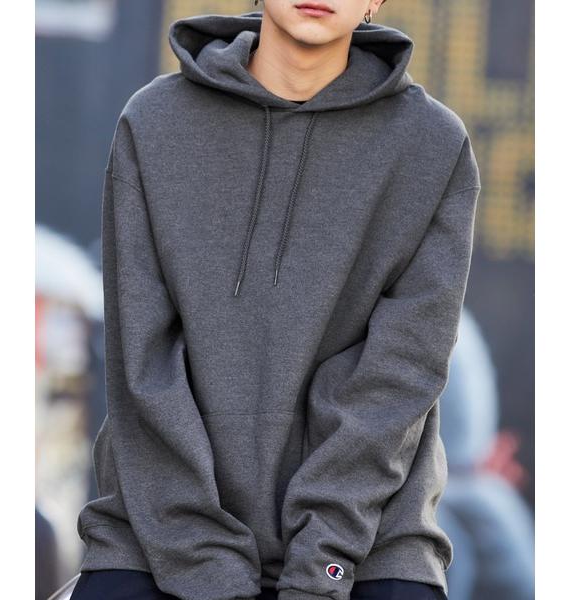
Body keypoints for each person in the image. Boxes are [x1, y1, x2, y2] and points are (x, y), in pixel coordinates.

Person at [71, 2, 481, 599]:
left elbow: (398, 383)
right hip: (158, 533)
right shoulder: (155, 122)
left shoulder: (433, 145)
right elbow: (142, 365)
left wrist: (320, 568)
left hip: (366, 543)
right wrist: (204, 564)